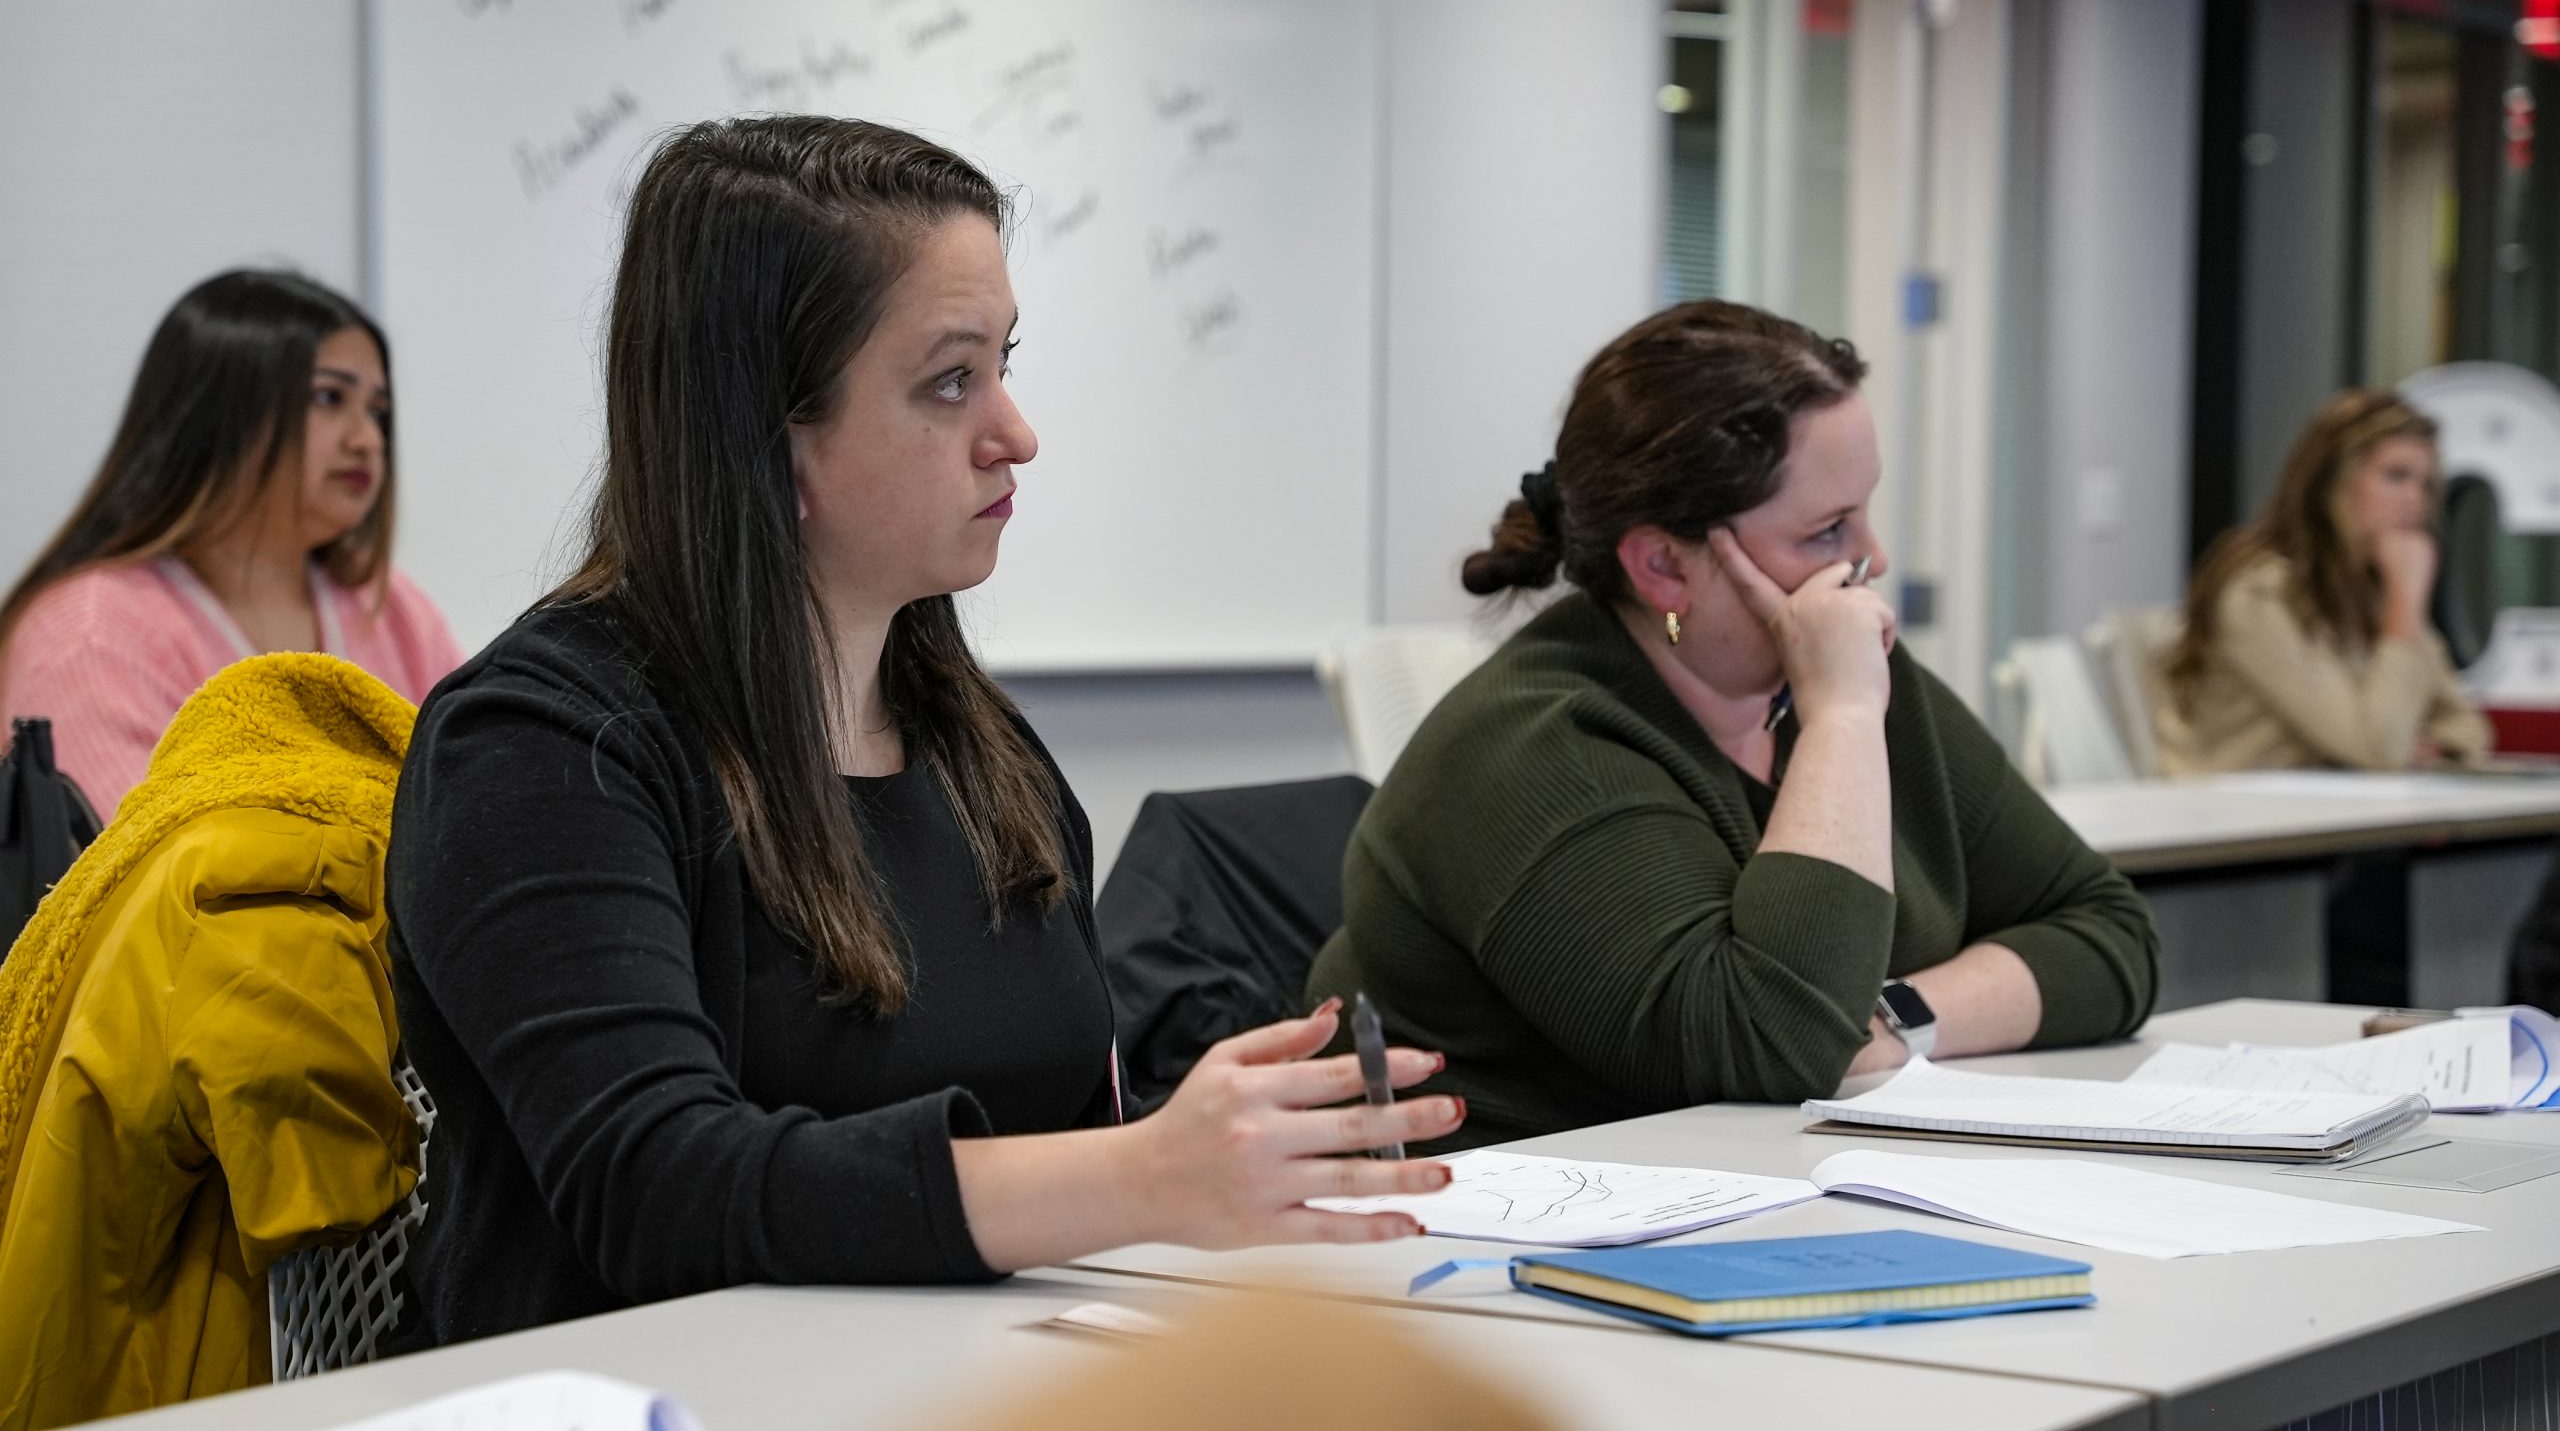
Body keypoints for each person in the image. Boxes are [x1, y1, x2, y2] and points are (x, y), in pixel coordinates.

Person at [386, 115, 1459, 1347]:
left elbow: (1063, 1118)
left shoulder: (976, 745)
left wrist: (1241, 1142)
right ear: (762, 435)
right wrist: (1144, 1175)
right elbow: (659, 1187)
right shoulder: (537, 749)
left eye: (1005, 363)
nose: (1015, 431)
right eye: (951, 381)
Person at [1305, 300, 2159, 1151]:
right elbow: (1778, 1044)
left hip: (1755, 1201)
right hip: (1463, 1246)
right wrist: (1844, 716)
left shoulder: (1846, 678)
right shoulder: (1535, 746)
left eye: (1863, 513)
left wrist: (1893, 1016)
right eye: (1827, 530)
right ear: (1664, 565)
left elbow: (2108, 933)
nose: (1875, 558)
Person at [0, 270, 463, 817]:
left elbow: (476, 805)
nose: (366, 440)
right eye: (329, 397)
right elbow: (131, 871)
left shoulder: (391, 607)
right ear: (215, 414)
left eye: (377, 411)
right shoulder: (91, 631)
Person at [2160, 388, 2488, 774]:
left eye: (2426, 484)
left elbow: (2468, 729)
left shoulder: (2373, 587)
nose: (2415, 501)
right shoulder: (2259, 589)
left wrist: (2436, 748)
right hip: (2247, 821)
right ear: (2333, 481)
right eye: (2396, 476)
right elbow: (2380, 750)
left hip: (2343, 816)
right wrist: (2405, 600)